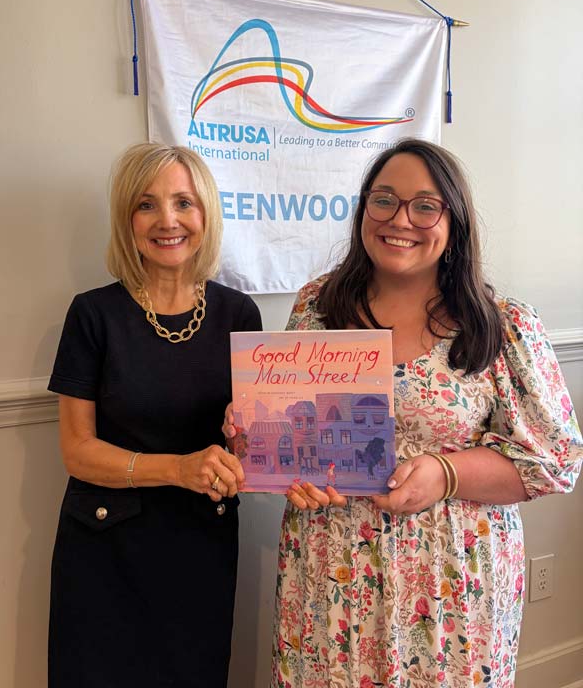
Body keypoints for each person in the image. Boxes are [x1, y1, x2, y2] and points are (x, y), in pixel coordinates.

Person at [225, 138, 582, 688]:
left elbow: (557, 461)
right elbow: (297, 433)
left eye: (425, 206)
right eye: (384, 199)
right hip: (328, 573)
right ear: (364, 209)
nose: (400, 220)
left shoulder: (503, 324)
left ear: (454, 222)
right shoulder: (317, 306)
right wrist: (255, 433)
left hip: (448, 589)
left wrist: (446, 473)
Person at [48, 143, 261, 688]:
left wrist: (247, 438)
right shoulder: (93, 314)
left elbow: (249, 449)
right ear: (127, 219)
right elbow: (77, 452)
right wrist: (178, 468)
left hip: (200, 547)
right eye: (147, 204)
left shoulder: (239, 314)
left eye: (183, 202)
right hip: (105, 549)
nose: (168, 220)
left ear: (206, 213)